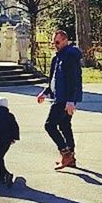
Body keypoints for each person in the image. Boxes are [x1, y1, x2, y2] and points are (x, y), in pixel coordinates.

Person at [37, 29, 83, 169]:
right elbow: (53, 79)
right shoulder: (57, 57)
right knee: (64, 126)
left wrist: (71, 100)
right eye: (53, 42)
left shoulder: (70, 56)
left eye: (57, 42)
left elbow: (75, 80)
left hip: (64, 99)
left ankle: (66, 154)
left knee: (49, 125)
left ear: (65, 40)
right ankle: (71, 156)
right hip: (59, 96)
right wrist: (45, 93)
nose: (55, 45)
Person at [0, 96, 20, 187]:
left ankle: (5, 173)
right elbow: (15, 127)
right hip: (7, 140)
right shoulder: (10, 115)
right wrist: (14, 138)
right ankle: (1, 176)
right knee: (1, 157)